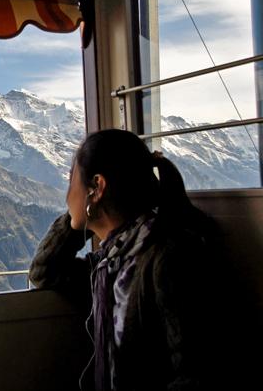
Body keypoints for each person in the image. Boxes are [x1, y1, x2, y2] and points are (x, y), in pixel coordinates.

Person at [30, 129, 235, 391]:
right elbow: (44, 272)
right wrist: (76, 219)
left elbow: (199, 375)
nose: (66, 195)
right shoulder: (112, 262)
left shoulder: (167, 259)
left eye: (71, 181)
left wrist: (81, 213)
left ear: (97, 187)